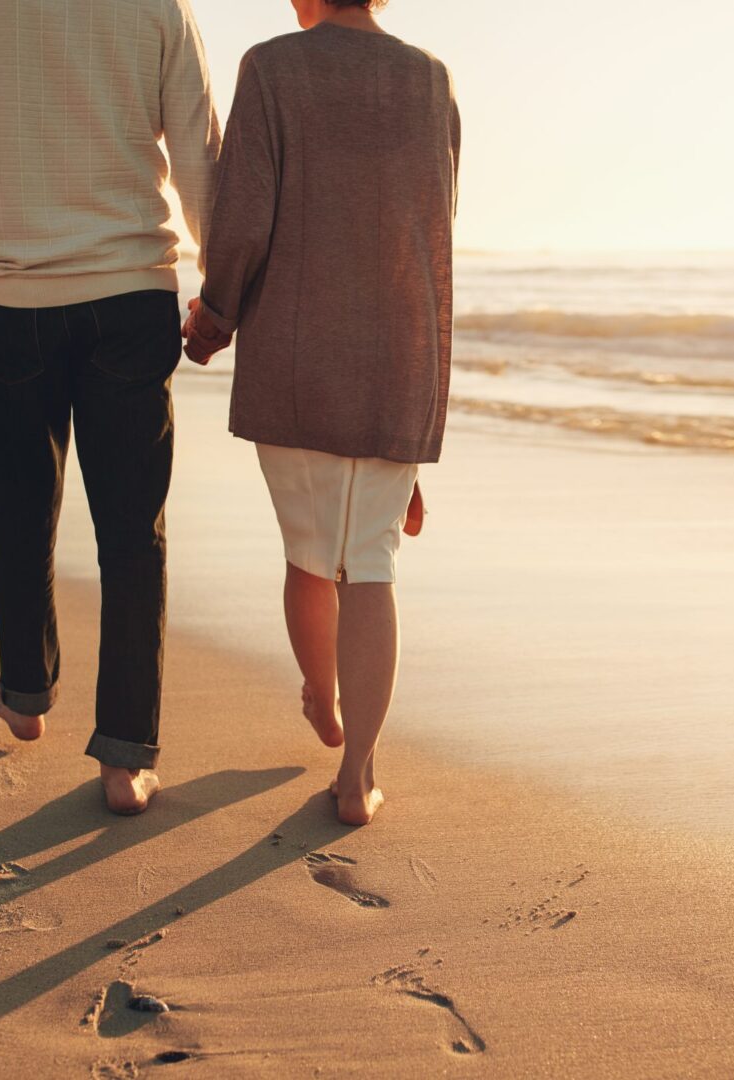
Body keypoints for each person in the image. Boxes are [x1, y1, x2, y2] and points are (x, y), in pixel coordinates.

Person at [0, 0, 221, 814]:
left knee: (20, 510)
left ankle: (26, 695)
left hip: (5, 295)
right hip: (130, 296)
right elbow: (199, 155)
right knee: (133, 533)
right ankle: (126, 760)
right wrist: (220, 295)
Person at [183, 0, 458, 826]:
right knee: (371, 564)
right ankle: (358, 769)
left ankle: (323, 693)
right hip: (398, 360)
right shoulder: (431, 80)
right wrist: (421, 410)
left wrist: (216, 316)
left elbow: (242, 218)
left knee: (310, 555)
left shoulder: (272, 68)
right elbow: (435, 232)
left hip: (297, 363)